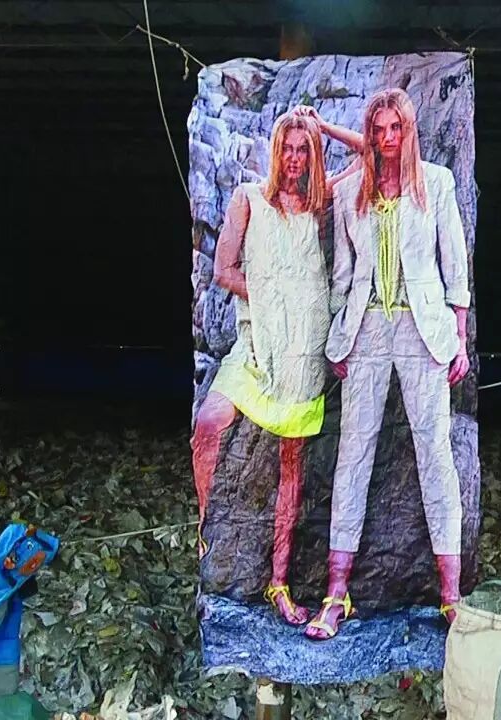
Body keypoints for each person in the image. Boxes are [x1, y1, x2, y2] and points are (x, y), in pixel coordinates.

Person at [304, 88, 471, 640]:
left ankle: (451, 597)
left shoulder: (437, 184)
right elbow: (342, 275)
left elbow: (454, 264)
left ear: (408, 130)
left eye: (395, 128)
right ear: (370, 134)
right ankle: (336, 594)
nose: (386, 138)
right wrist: (340, 338)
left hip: (424, 332)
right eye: (378, 130)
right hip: (368, 327)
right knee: (353, 456)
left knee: (436, 456)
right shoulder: (350, 190)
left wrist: (459, 338)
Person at [191, 108, 362, 626]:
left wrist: (322, 127)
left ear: (312, 156)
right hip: (256, 344)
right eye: (286, 148)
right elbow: (224, 271)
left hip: (302, 354)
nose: (293, 158)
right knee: (209, 423)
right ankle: (205, 528)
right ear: (274, 151)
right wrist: (272, 297)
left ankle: (279, 584)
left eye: (302, 150)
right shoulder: (249, 198)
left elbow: (368, 154)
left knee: (292, 472)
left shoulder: (321, 201)